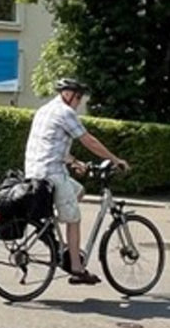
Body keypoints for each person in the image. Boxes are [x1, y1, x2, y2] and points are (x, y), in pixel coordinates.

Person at [26, 77, 128, 284]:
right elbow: (88, 139)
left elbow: (50, 145)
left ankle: (50, 225)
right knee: (74, 219)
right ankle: (76, 268)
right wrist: (115, 160)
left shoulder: (44, 110)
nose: (79, 102)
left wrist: (75, 161)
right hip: (52, 174)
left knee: (79, 190)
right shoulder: (65, 112)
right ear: (67, 94)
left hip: (36, 171)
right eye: (78, 97)